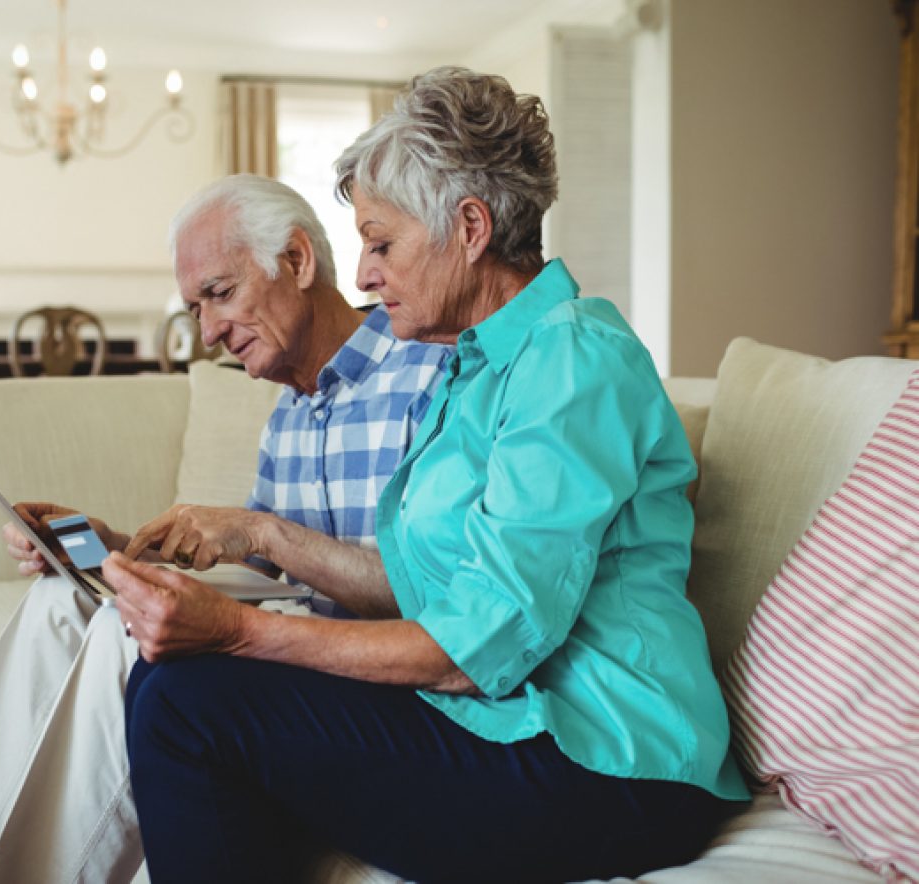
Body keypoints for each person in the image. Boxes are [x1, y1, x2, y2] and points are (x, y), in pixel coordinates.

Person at [110, 67, 750, 884]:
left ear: (470, 227)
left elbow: (475, 649)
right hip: (501, 723)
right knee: (177, 679)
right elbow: (415, 584)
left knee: (185, 706)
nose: (366, 275)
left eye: (382, 242)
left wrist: (242, 633)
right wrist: (254, 545)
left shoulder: (572, 358)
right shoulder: (470, 370)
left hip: (609, 762)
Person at [0, 175, 450, 884]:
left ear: (298, 262)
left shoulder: (430, 371)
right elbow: (267, 570)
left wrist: (259, 532)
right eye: (194, 307)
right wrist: (112, 547)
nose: (207, 331)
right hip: (298, 643)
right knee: (62, 602)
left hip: (371, 675)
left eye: (219, 293)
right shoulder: (290, 413)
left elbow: (436, 595)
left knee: (138, 642)